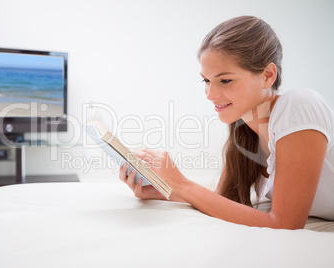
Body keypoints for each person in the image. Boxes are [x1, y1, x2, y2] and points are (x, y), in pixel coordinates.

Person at [119, 16, 334, 229]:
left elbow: (285, 224)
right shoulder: (245, 133)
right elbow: (223, 202)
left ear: (268, 76)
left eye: (225, 80)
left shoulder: (299, 105)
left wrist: (182, 184)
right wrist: (165, 191)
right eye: (206, 80)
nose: (210, 94)